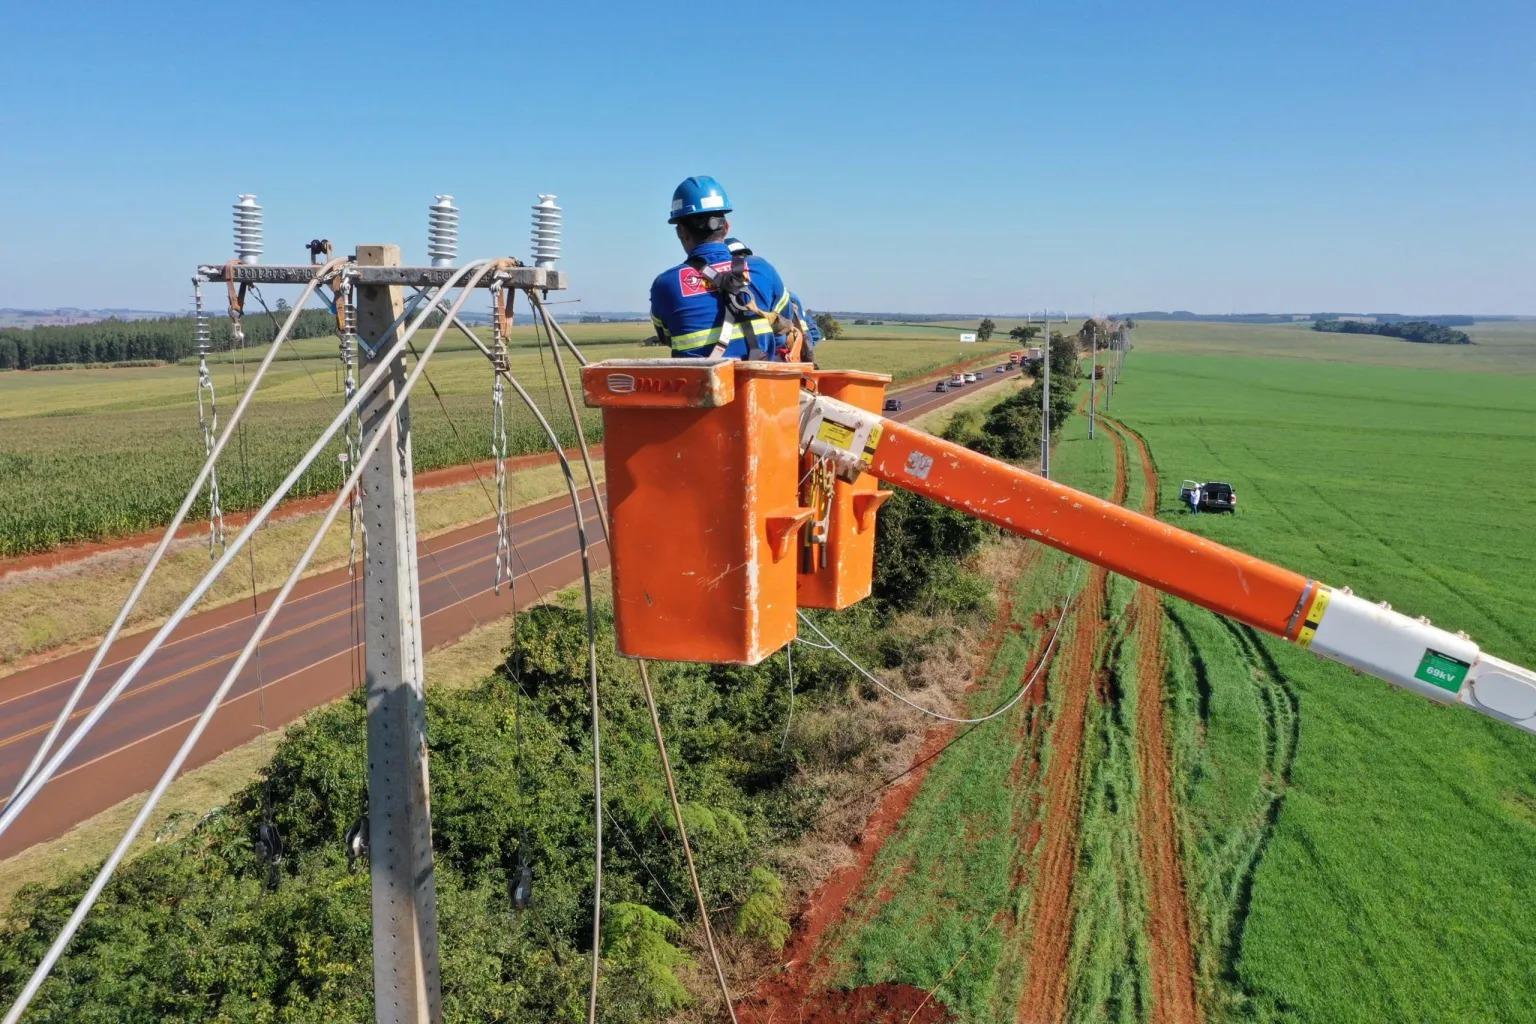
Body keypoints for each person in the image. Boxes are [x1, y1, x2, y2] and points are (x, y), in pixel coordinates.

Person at [649, 176, 795, 360]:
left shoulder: (665, 285)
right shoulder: (763, 270)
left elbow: (666, 337)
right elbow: (783, 326)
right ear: (726, 227)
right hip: (760, 386)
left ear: (681, 232)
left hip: (699, 387)